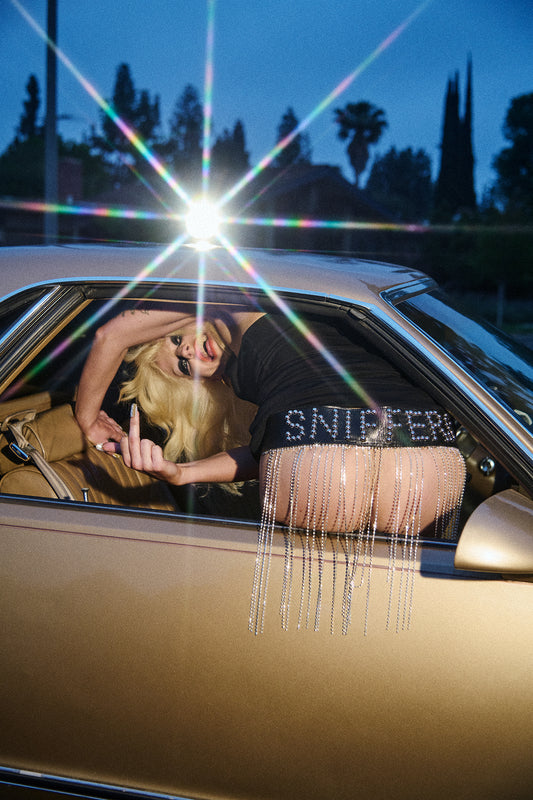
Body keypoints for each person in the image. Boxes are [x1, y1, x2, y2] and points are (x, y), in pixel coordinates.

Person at [75, 303, 466, 634]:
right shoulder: (263, 333)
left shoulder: (227, 304)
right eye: (182, 364)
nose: (191, 353)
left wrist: (88, 418)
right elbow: (266, 450)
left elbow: (113, 333)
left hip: (319, 466)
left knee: (328, 626)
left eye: (178, 340)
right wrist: (182, 474)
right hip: (422, 454)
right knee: (407, 624)